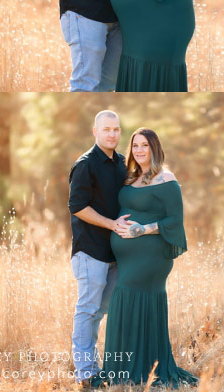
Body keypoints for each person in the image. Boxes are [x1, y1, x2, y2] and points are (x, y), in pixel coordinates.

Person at [100, 127, 199, 387]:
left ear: (155, 149)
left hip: (152, 256)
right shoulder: (130, 177)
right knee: (124, 301)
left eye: (145, 145)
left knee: (126, 297)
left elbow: (175, 220)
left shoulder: (166, 179)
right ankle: (123, 369)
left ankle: (141, 369)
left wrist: (141, 230)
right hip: (127, 258)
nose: (139, 150)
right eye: (135, 146)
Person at [67, 110, 131, 387]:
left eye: (116, 129)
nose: (112, 134)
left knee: (100, 312)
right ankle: (85, 373)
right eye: (106, 129)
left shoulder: (122, 163)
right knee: (87, 309)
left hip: (114, 253)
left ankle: (93, 368)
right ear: (95, 131)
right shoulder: (85, 164)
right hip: (90, 251)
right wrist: (111, 224)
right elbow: (77, 207)